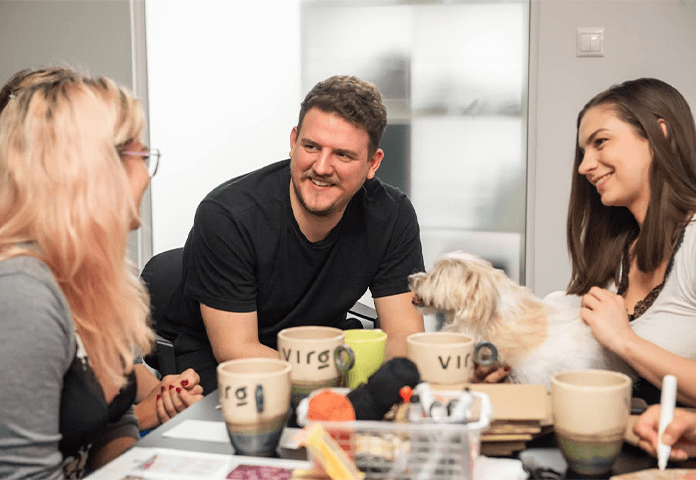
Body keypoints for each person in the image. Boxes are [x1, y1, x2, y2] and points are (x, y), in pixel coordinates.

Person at [162, 75, 425, 394]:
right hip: (227, 380)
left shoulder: (391, 216)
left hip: (323, 368)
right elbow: (237, 350)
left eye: (342, 155)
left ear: (373, 163)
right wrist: (333, 386)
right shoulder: (228, 216)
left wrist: (373, 394)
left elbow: (403, 334)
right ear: (293, 141)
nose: (322, 167)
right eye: (311, 147)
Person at [0, 74, 190, 479]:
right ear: (98, 171)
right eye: (142, 157)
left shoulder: (98, 282)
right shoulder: (22, 292)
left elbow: (112, 422)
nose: (147, 175)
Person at [567, 78, 695, 406]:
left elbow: (619, 341)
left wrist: (624, 341)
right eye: (583, 152)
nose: (584, 166)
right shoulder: (616, 253)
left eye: (601, 142)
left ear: (659, 133)